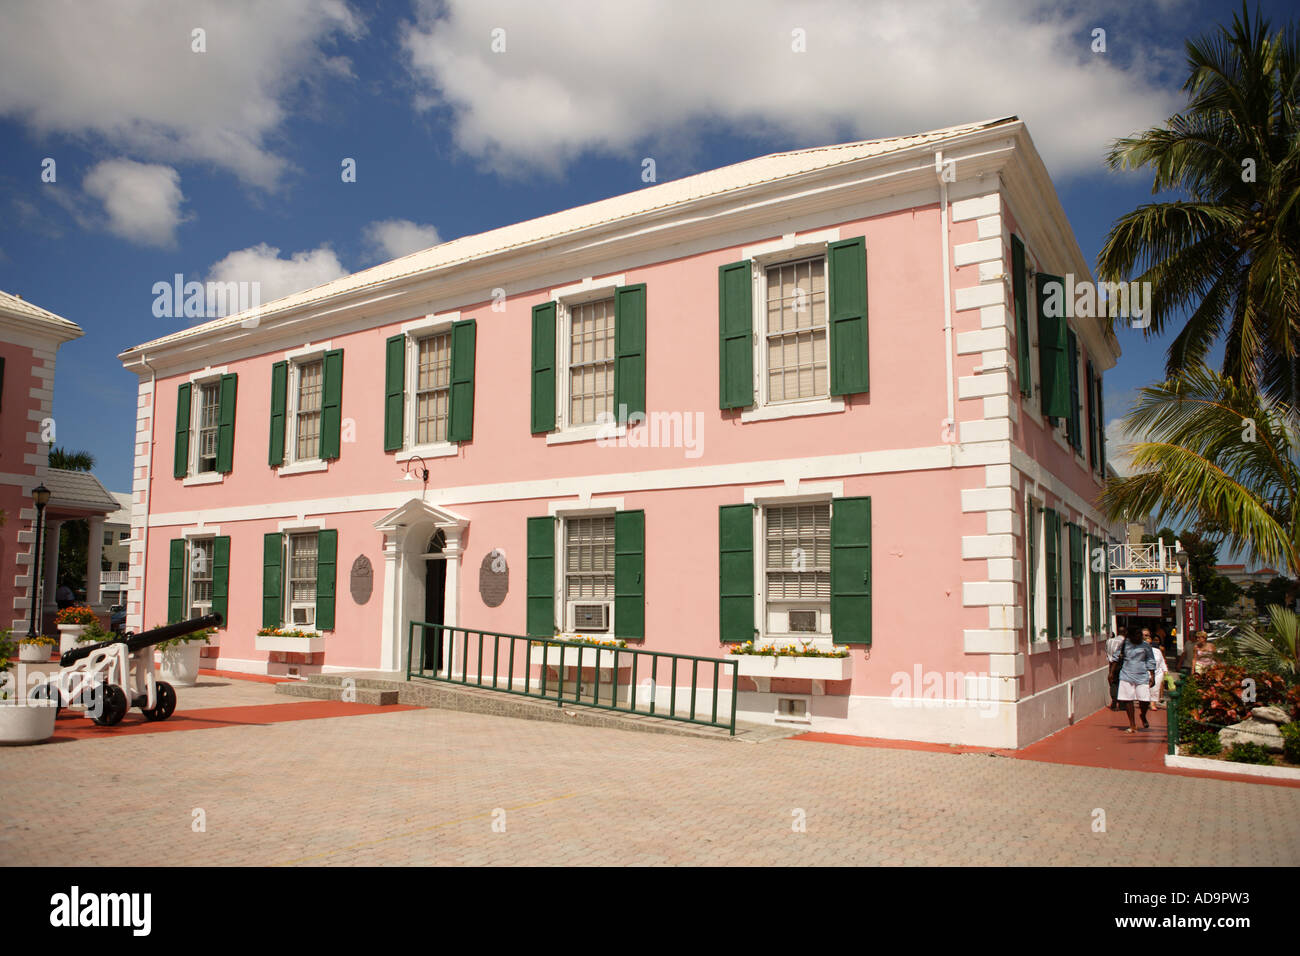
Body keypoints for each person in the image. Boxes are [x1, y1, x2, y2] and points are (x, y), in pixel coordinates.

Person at [1109, 627, 1156, 733]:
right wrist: (1111, 673)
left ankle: (1143, 715)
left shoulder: (1146, 646)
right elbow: (1116, 658)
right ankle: (1132, 724)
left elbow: (1150, 660)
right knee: (1128, 700)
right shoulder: (1125, 644)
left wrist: (1152, 675)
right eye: (1136, 635)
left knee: (1144, 700)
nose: (1139, 637)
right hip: (1126, 675)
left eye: (1140, 635)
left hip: (1142, 675)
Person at [1146, 629, 1169, 710]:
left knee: (1155, 688)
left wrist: (1165, 671)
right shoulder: (1142, 651)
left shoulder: (1157, 651)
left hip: (1158, 672)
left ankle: (1153, 704)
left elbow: (1162, 661)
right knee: (1147, 689)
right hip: (1146, 672)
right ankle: (1147, 702)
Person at [1105, 628, 1126, 710]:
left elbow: (1107, 652)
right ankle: (1121, 703)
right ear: (1124, 632)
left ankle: (1114, 699)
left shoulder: (1109, 641)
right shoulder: (1124, 642)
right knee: (1122, 683)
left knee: (1113, 682)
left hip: (1111, 664)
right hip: (1121, 664)